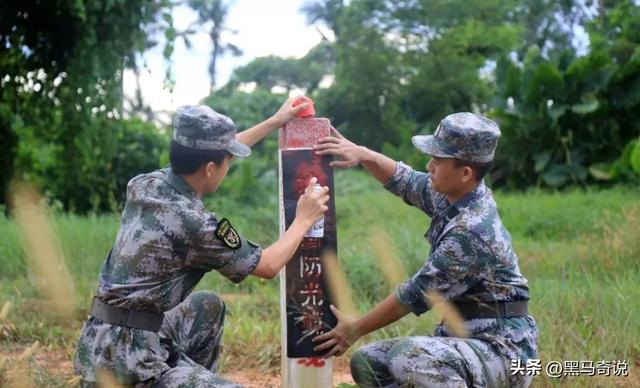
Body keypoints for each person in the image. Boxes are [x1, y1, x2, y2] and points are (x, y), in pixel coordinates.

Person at [73, 97, 330, 387]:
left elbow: (219, 151)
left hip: (101, 341)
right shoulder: (196, 225)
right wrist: (304, 219)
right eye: (226, 162)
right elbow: (268, 265)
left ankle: (186, 377)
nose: (228, 166)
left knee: (206, 306)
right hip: (129, 363)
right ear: (209, 168)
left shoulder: (146, 183)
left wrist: (274, 121)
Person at [312, 112, 537, 387]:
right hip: (465, 343)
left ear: (465, 173)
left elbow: (415, 294)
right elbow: (406, 181)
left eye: (438, 160)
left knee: (410, 356)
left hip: (501, 351)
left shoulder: (471, 230)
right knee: (369, 362)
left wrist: (355, 328)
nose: (429, 166)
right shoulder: (458, 194)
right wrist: (364, 154)